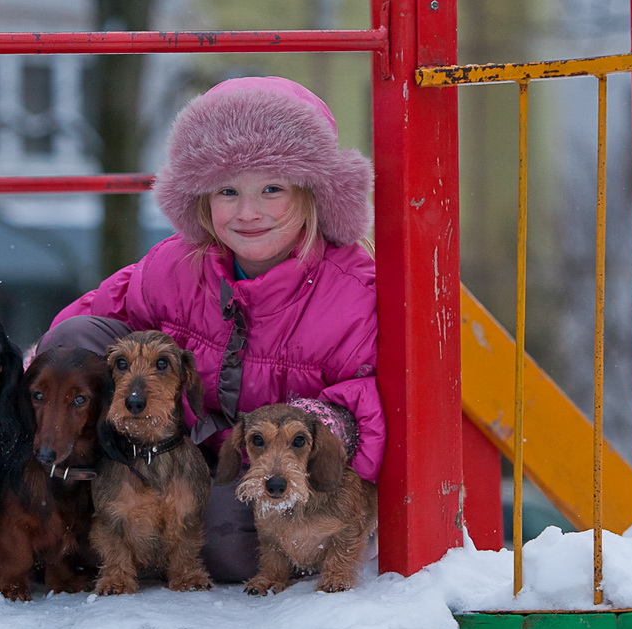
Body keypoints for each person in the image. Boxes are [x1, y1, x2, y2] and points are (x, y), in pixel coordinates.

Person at [37, 75, 384, 582]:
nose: (248, 213)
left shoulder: (350, 290)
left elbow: (365, 398)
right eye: (228, 191)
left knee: (228, 549)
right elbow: (97, 318)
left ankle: (174, 531)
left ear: (314, 192)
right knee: (71, 346)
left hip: (265, 462)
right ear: (201, 197)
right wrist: (43, 376)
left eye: (272, 188)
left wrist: (315, 425)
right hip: (175, 440)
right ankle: (85, 496)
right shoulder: (179, 264)